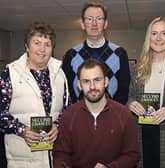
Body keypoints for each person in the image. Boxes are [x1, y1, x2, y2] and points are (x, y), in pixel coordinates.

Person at [0, 22, 68, 168]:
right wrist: (22, 130)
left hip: (54, 157)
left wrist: (57, 125)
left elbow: (67, 110)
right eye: (37, 43)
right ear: (27, 46)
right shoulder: (9, 74)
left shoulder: (60, 74)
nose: (42, 49)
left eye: (47, 44)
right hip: (22, 159)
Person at [53, 59, 139, 168]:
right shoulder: (68, 116)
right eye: (86, 81)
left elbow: (132, 155)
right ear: (79, 85)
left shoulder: (124, 114)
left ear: (106, 82)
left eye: (97, 80)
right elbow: (61, 154)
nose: (92, 87)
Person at [62, 1, 130, 105]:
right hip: (80, 115)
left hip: (112, 115)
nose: (94, 23)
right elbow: (68, 91)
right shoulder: (71, 55)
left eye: (99, 19)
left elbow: (124, 90)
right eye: (89, 19)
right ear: (83, 24)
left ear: (105, 24)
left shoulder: (119, 53)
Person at [128, 16, 165, 168]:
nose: (159, 38)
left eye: (164, 33)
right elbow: (129, 96)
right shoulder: (137, 69)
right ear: (148, 38)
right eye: (154, 33)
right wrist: (131, 104)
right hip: (142, 137)